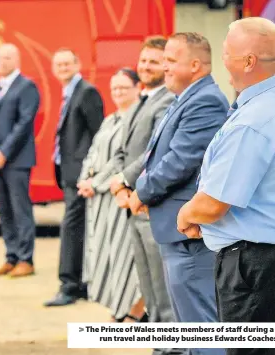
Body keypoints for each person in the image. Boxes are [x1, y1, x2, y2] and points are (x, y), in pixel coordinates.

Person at [177, 18, 275, 354]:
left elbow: (213, 205)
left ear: (248, 61)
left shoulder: (254, 122)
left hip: (258, 264)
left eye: (226, 53)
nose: (222, 61)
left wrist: (186, 213)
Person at [129, 32, 228, 355]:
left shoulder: (206, 101)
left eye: (171, 61)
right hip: (175, 233)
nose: (165, 67)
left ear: (196, 65)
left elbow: (180, 160)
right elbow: (157, 154)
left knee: (202, 331)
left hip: (189, 238)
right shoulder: (184, 98)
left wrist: (141, 191)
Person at [109, 36, 176, 328]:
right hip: (134, 206)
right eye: (143, 60)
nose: (146, 66)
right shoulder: (142, 100)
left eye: (153, 61)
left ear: (167, 65)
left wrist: (125, 180)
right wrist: (122, 185)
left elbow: (154, 151)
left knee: (163, 289)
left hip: (153, 207)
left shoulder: (169, 101)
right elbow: (124, 150)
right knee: (148, 286)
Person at [77, 68, 145, 322]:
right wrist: (85, 179)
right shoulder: (110, 120)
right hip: (100, 199)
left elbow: (122, 160)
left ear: (137, 88)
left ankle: (134, 311)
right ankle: (118, 308)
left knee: (125, 254)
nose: (117, 93)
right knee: (109, 253)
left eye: (123, 88)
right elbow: (94, 152)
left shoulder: (137, 119)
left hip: (120, 196)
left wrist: (97, 183)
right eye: (114, 88)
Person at [44, 48, 104, 307]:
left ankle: (68, 285)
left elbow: (98, 135)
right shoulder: (70, 92)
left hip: (81, 174)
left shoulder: (86, 92)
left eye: (68, 63)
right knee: (78, 226)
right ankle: (80, 284)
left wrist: (89, 172)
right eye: (59, 64)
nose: (63, 67)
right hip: (69, 172)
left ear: (78, 64)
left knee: (70, 226)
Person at [0, 43, 40, 278]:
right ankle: (11, 256)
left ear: (17, 60)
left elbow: (24, 124)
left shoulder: (27, 87)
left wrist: (3, 152)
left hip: (16, 160)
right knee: (4, 210)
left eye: (7, 58)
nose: (2, 62)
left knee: (20, 210)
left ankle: (26, 259)